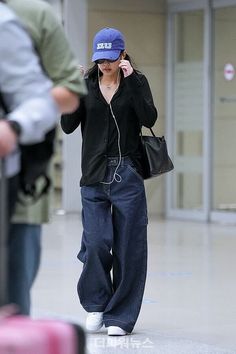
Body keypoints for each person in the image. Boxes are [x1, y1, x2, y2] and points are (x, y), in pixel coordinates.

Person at [61, 27, 158, 336]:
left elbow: (149, 118)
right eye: (100, 59)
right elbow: (67, 125)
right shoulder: (86, 85)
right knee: (97, 241)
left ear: (122, 55)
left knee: (130, 247)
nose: (105, 65)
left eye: (110, 59)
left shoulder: (136, 81)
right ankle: (96, 305)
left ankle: (121, 317)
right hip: (92, 177)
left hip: (127, 173)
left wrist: (132, 83)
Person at [5, 0, 87, 315]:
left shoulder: (32, 15)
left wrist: (16, 124)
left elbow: (69, 89)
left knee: (10, 306)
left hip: (17, 188)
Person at [0, 1, 60, 306]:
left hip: (9, 179)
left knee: (9, 299)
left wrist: (14, 126)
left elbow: (41, 101)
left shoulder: (5, 24)